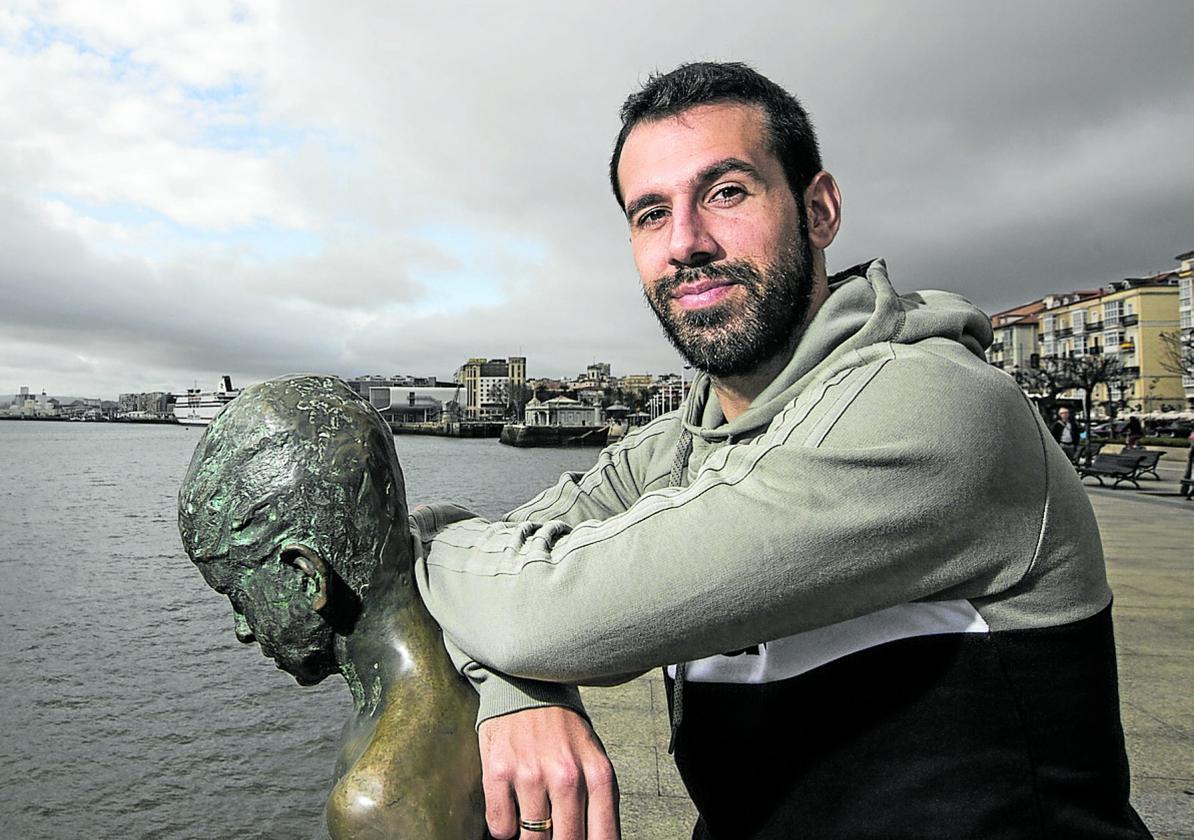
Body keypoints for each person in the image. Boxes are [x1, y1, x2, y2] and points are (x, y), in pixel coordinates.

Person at [411, 62, 1151, 839]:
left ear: (819, 209)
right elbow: (513, 579)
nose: (686, 243)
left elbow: (544, 610)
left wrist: (422, 548)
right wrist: (521, 692)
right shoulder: (674, 443)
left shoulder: (933, 409)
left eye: (726, 192)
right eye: (651, 214)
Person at [178, 374, 490, 840]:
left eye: (238, 597)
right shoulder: (464, 619)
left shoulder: (378, 804)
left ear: (307, 579)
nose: (241, 628)